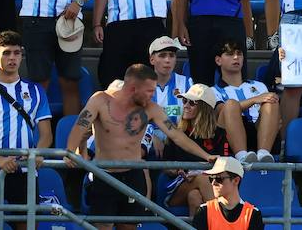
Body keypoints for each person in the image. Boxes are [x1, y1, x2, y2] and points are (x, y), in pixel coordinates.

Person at [66, 64, 214, 230]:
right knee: (103, 226)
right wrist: (70, 151)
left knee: (129, 226)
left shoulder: (151, 108)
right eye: (149, 91)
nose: (153, 95)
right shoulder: (100, 100)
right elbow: (80, 126)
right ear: (133, 88)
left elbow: (176, 135)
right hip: (105, 175)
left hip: (133, 175)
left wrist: (206, 156)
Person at [0, 30, 54, 230]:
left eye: (17, 53)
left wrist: (37, 153)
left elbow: (46, 134)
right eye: (6, 53)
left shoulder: (36, 91)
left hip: (25, 169)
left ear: (22, 56)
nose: (12, 58)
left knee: (26, 225)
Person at [161, 84, 230, 217]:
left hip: (209, 185)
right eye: (184, 101)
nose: (186, 106)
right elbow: (165, 166)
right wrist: (177, 170)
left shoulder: (220, 134)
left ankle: (200, 225)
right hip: (177, 189)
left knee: (194, 197)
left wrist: (202, 172)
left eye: (192, 103)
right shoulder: (176, 132)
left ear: (205, 108)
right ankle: (223, 221)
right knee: (201, 179)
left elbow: (224, 166)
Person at [212, 40, 280, 162]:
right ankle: (242, 156)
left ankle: (264, 154)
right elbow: (221, 111)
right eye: (230, 54)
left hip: (258, 130)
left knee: (271, 100)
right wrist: (254, 100)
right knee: (230, 104)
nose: (236, 57)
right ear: (218, 60)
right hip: (228, 134)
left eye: (239, 54)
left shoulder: (259, 86)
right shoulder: (212, 90)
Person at [145, 36, 195, 147]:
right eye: (162, 55)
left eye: (171, 55)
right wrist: (150, 136)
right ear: (152, 59)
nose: (167, 60)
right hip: (147, 138)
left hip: (180, 136)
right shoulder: (141, 85)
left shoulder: (187, 83)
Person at [191, 156, 264, 230]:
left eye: (219, 178)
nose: (213, 183)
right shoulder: (204, 211)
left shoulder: (253, 214)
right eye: (211, 178)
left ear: (236, 181)